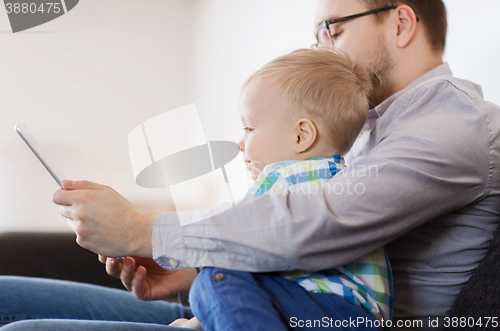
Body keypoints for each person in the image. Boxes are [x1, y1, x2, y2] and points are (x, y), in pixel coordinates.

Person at [2, 0, 500, 330]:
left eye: (333, 29)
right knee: (8, 297)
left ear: (402, 22)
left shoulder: (453, 124)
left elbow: (318, 222)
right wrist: (190, 271)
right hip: (268, 306)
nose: (322, 47)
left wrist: (144, 229)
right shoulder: (365, 128)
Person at [170, 48, 392, 330]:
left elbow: (232, 251)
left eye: (249, 128)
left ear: (301, 135)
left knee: (213, 277)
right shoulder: (345, 183)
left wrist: (196, 321)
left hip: (331, 311)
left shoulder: (284, 178)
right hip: (356, 317)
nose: (241, 142)